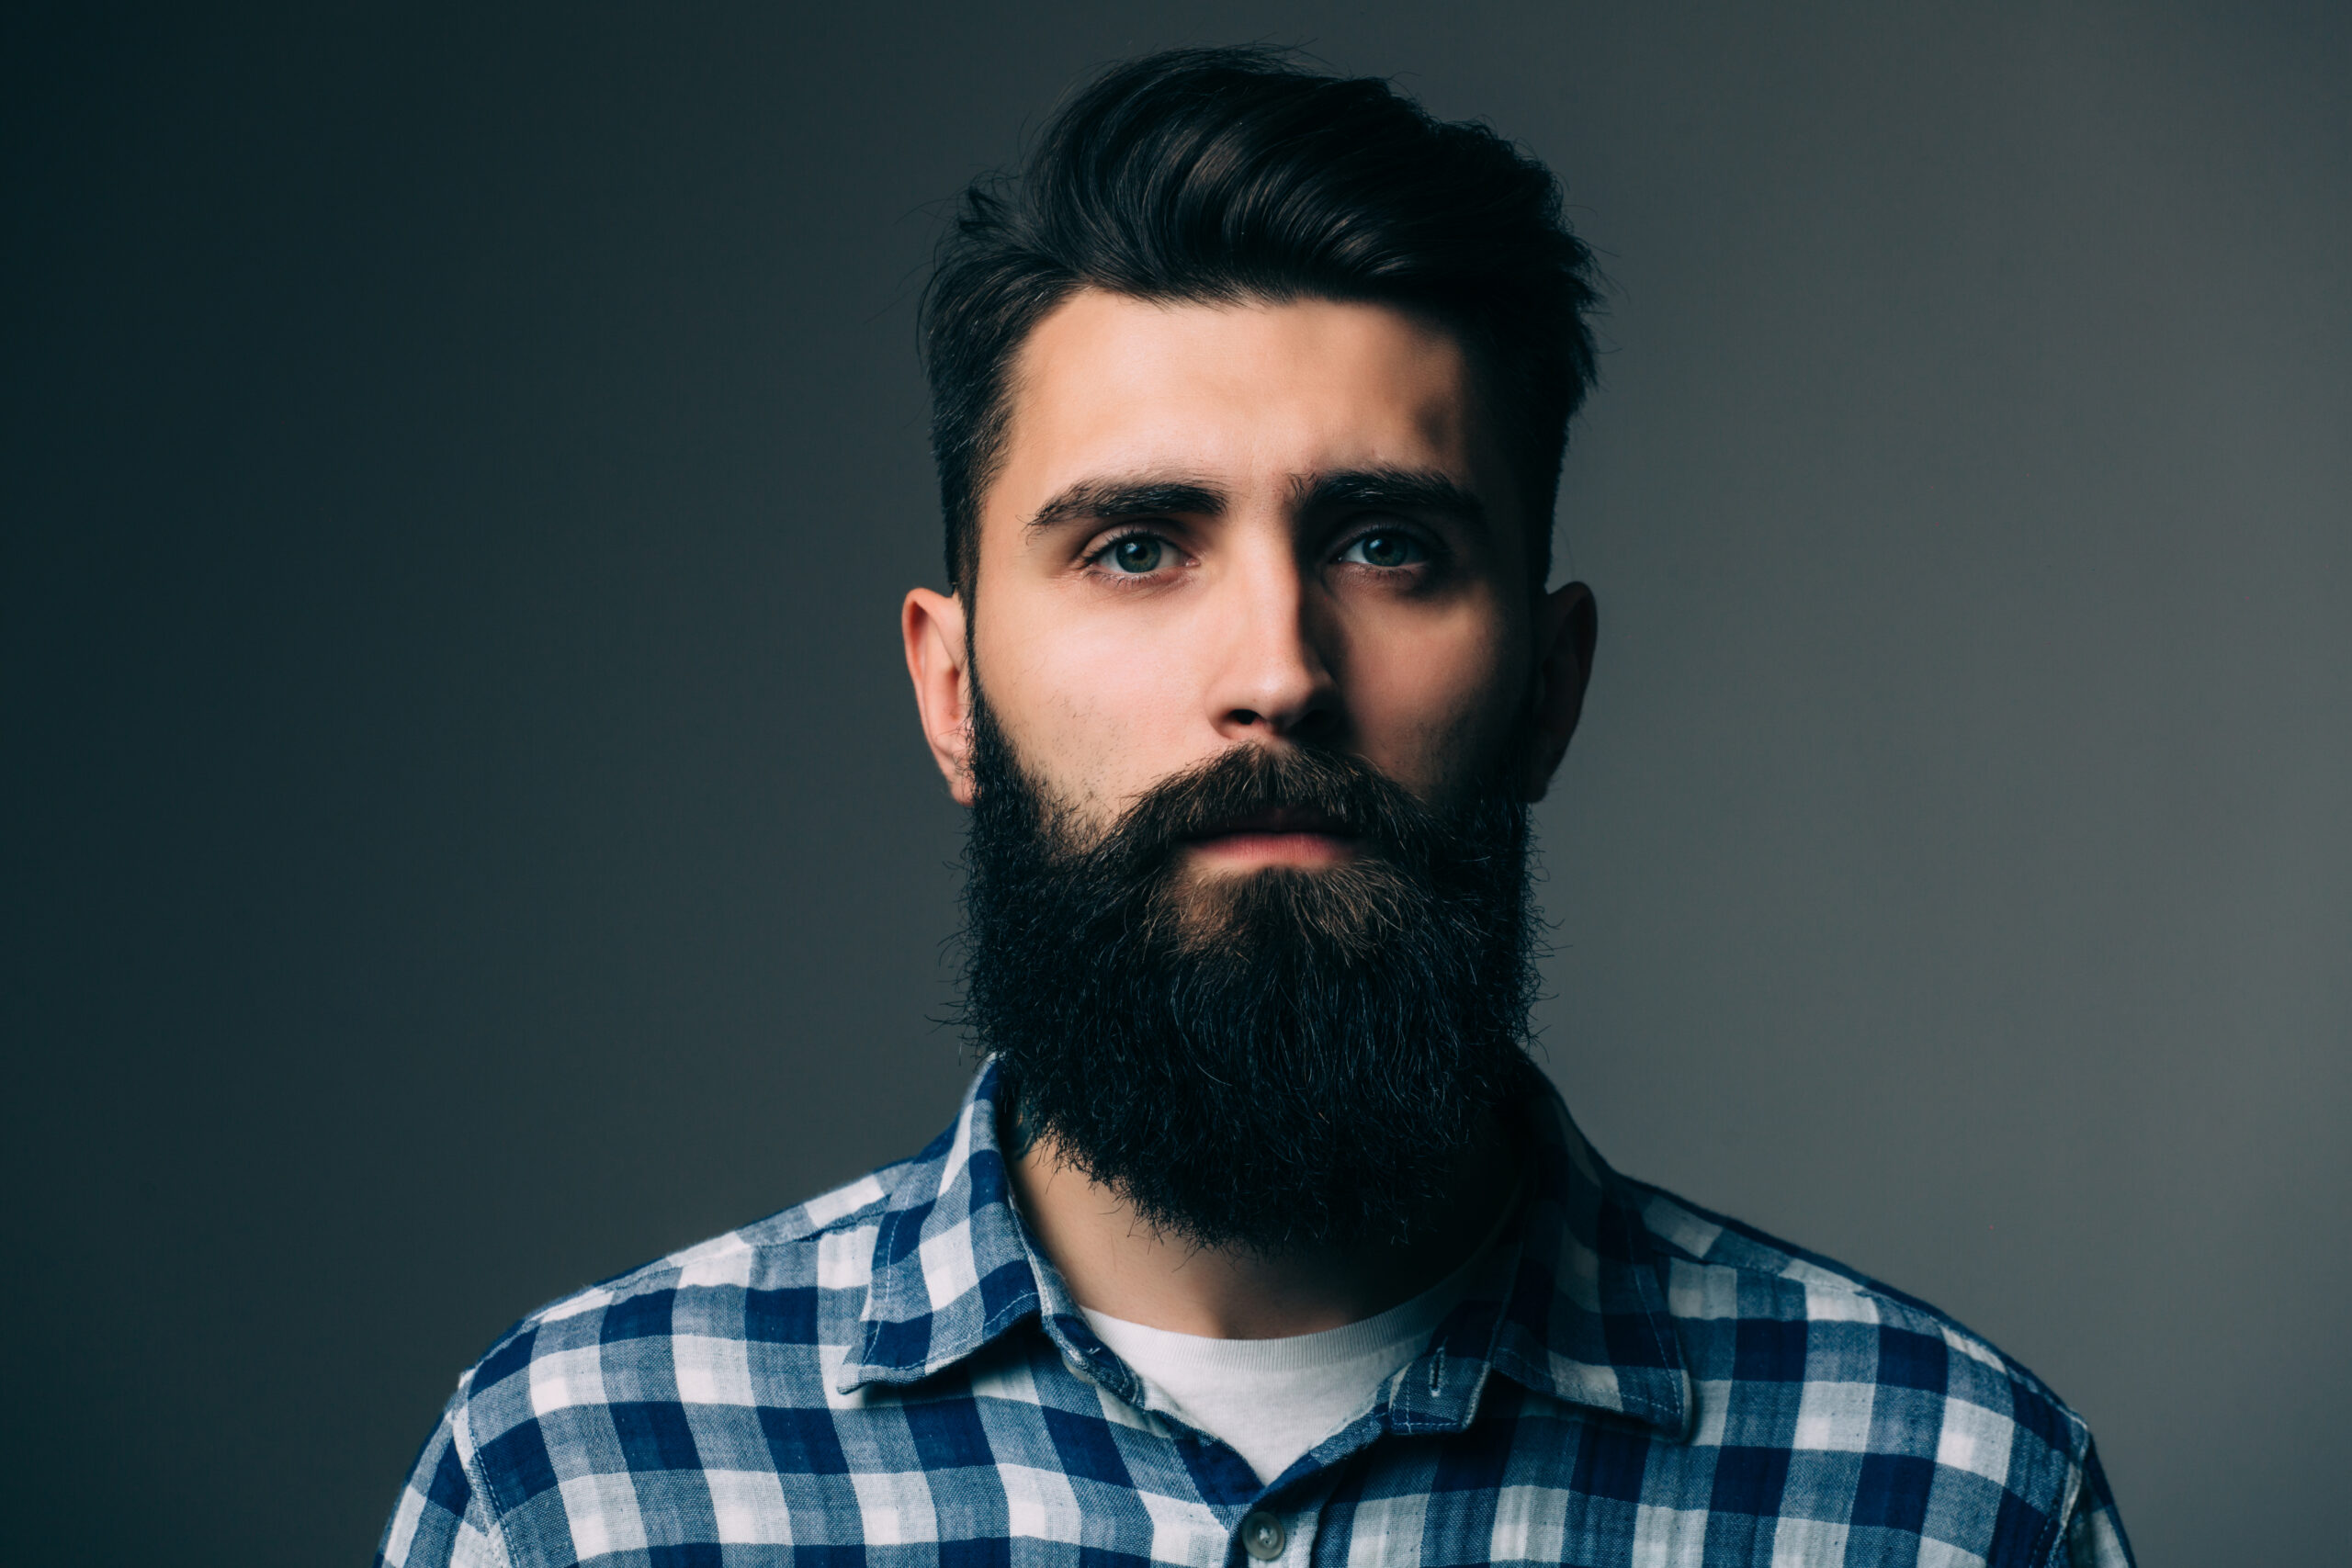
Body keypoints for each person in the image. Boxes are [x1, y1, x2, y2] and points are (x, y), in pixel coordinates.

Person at [379, 48, 2132, 1568]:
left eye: (1388, 544)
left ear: (1551, 681)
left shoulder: (1951, 1503)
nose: (1280, 668)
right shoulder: (575, 1490)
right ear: (949, 686)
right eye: (1137, 548)